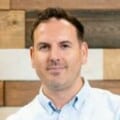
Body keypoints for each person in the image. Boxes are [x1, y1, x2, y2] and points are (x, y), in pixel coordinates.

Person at [7, 7, 120, 120]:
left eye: (65, 46)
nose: (54, 57)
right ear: (32, 56)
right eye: (44, 47)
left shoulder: (115, 111)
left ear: (83, 53)